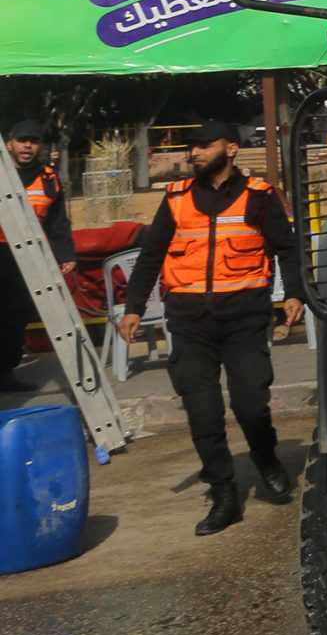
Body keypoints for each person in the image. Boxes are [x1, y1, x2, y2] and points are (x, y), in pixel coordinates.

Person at [120, 121, 306, 535]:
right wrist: (133, 309)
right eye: (194, 147)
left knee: (250, 404)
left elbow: (286, 249)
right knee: (203, 412)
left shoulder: (259, 197)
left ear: (232, 149)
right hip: (188, 323)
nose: (196, 152)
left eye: (205, 145)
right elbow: (150, 256)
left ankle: (265, 456)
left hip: (245, 319)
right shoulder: (176, 199)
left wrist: (294, 294)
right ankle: (223, 494)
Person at [2, 121, 77, 389]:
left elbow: (58, 222)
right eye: (22, 140)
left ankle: (5, 373)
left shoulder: (48, 178)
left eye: (33, 141)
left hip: (29, 257)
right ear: (9, 144)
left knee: (17, 315)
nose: (27, 146)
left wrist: (66, 254)